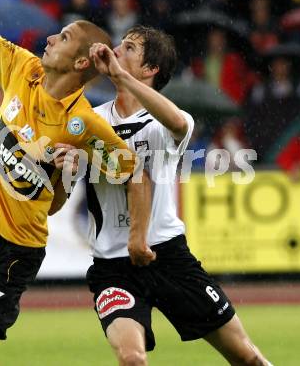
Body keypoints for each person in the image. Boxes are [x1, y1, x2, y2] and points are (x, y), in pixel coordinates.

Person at [0, 0, 144, 366]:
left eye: (66, 36)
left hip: (16, 247)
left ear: (80, 62)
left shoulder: (83, 123)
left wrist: (79, 172)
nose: (52, 37)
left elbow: (131, 170)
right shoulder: (24, 68)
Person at [53, 25, 273, 365]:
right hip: (113, 266)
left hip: (168, 257)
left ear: (150, 69)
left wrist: (121, 78)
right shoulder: (89, 121)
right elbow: (57, 202)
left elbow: (179, 124)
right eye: (119, 45)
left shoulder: (167, 119)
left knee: (247, 357)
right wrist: (64, 170)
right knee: (132, 359)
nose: (117, 50)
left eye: (128, 48)